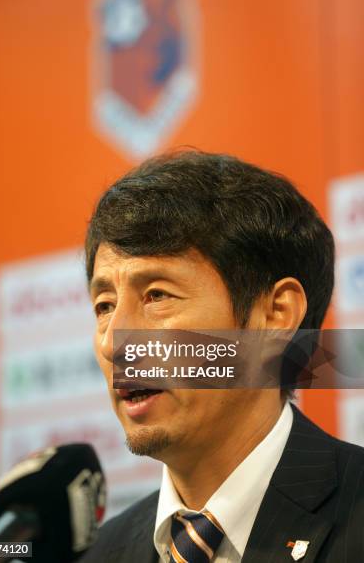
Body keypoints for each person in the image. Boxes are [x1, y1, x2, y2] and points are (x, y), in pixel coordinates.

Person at [80, 151, 364, 563]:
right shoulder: (98, 554)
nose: (114, 344)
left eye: (157, 296)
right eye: (104, 306)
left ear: (276, 314)